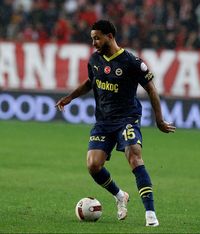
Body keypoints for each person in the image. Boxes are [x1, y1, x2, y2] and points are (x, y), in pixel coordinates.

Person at [56, 19, 176, 227]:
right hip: (103, 121)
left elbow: (152, 90)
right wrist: (70, 97)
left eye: (97, 38)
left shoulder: (131, 62)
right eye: (92, 38)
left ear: (109, 36)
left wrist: (159, 120)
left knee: (134, 156)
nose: (94, 43)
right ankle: (120, 195)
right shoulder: (95, 59)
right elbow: (90, 82)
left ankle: (150, 214)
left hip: (127, 119)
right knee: (93, 165)